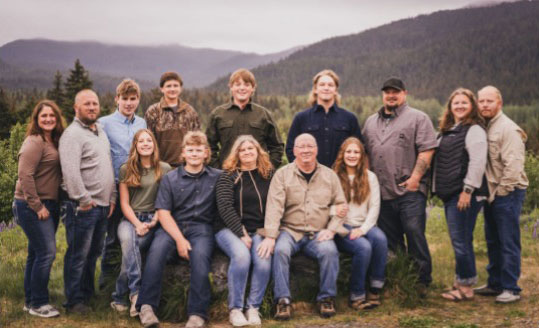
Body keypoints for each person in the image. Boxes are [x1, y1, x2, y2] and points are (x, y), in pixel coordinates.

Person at [136, 131, 221, 328]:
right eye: (190, 150)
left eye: (198, 150)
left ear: (206, 153)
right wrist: (180, 240)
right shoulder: (171, 178)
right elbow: (163, 213)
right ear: (183, 153)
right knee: (156, 252)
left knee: (199, 257)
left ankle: (197, 314)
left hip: (202, 229)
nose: (194, 154)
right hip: (172, 226)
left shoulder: (217, 177)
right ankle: (147, 307)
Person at [257, 133, 346, 320]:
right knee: (280, 251)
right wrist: (271, 236)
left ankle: (326, 298)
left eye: (310, 146)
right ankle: (282, 301)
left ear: (316, 150)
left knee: (330, 251)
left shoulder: (330, 176)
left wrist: (331, 229)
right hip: (290, 231)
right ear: (294, 151)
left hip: (319, 232)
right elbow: (274, 207)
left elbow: (340, 205)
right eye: (301, 147)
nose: (306, 150)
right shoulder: (282, 175)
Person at [362, 77, 437, 291]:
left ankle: (422, 281)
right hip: (383, 193)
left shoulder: (418, 118)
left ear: (405, 93)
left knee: (414, 232)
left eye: (395, 91)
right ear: (382, 95)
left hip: (410, 191)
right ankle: (402, 277)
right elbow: (365, 153)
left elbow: (427, 149)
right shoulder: (370, 122)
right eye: (387, 91)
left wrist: (415, 179)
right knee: (391, 240)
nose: (391, 95)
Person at [59, 89, 116, 314]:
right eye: (86, 104)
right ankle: (73, 302)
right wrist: (84, 200)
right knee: (77, 255)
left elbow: (108, 165)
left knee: (93, 254)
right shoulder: (72, 134)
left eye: (95, 103)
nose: (92, 107)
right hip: (83, 207)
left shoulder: (99, 131)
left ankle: (86, 294)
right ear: (76, 108)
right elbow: (70, 173)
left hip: (102, 206)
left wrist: (111, 197)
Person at [432, 88, 488, 301]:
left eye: (465, 102)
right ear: (450, 107)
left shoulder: (474, 130)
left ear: (472, 106)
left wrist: (467, 190)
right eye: (456, 103)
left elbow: (477, 162)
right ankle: (461, 280)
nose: (460, 106)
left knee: (461, 241)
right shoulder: (450, 129)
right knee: (461, 239)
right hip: (451, 194)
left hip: (464, 194)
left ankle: (465, 287)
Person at [474, 86, 528, 303]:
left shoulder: (507, 128)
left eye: (489, 101)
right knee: (493, 240)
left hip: (508, 192)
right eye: (481, 101)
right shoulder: (485, 127)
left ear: (500, 103)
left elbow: (513, 167)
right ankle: (495, 283)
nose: (485, 105)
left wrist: (501, 193)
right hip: (492, 194)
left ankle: (511, 288)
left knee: (508, 241)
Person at [110, 129, 171, 316]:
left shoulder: (165, 168)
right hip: (130, 219)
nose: (145, 144)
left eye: (149, 141)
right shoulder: (125, 169)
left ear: (154, 145)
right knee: (130, 242)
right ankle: (136, 294)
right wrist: (137, 224)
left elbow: (166, 200)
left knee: (131, 251)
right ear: (135, 145)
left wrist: (154, 221)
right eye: (141, 141)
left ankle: (119, 296)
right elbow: (124, 204)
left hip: (154, 219)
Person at [13, 100, 65, 318]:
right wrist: (37, 206)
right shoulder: (34, 141)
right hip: (31, 205)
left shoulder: (52, 140)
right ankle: (39, 303)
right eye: (43, 116)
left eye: (52, 116)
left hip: (49, 204)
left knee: (35, 254)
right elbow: (25, 175)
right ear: (36, 119)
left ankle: (30, 300)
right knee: (46, 253)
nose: (48, 119)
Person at [214, 135, 273, 326]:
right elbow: (224, 207)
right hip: (228, 228)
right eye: (242, 149)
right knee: (241, 256)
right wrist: (241, 233)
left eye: (251, 148)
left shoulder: (268, 174)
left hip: (260, 229)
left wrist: (270, 234)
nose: (247, 152)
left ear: (258, 151)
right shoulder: (228, 175)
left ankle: (253, 308)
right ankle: (236, 309)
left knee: (263, 261)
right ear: (237, 153)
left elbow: (277, 204)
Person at [98, 79, 147, 289]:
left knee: (133, 236)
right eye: (125, 99)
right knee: (111, 238)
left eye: (133, 99)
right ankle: (106, 283)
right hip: (114, 189)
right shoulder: (104, 123)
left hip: (137, 190)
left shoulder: (141, 124)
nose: (129, 103)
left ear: (138, 100)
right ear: (116, 99)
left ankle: (130, 282)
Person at [332, 137, 388, 309]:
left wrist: (363, 229)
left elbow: (374, 207)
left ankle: (375, 288)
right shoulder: (332, 176)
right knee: (363, 247)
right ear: (342, 154)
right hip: (341, 227)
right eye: (348, 151)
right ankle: (356, 296)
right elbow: (323, 206)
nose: (352, 155)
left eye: (356, 152)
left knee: (380, 239)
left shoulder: (370, 177)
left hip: (365, 224)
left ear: (362, 156)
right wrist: (335, 212)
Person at [206, 68, 284, 169]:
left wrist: (267, 169)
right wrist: (218, 171)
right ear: (231, 87)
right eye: (238, 84)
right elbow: (208, 146)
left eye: (247, 85)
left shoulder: (263, 114)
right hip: (227, 176)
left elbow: (277, 147)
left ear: (253, 88)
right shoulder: (218, 114)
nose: (242, 88)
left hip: (258, 177)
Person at [285, 69, 363, 168]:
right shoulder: (301, 118)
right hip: (311, 178)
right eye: (322, 85)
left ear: (335, 90)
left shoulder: (349, 118)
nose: (326, 88)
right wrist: (304, 170)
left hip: (341, 179)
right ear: (315, 89)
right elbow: (290, 149)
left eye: (330, 85)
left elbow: (360, 149)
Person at [145, 71, 200, 167]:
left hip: (186, 167)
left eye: (175, 85)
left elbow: (197, 140)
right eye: (168, 86)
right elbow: (148, 141)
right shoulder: (153, 111)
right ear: (162, 89)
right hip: (160, 167)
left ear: (180, 88)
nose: (172, 89)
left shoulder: (190, 111)